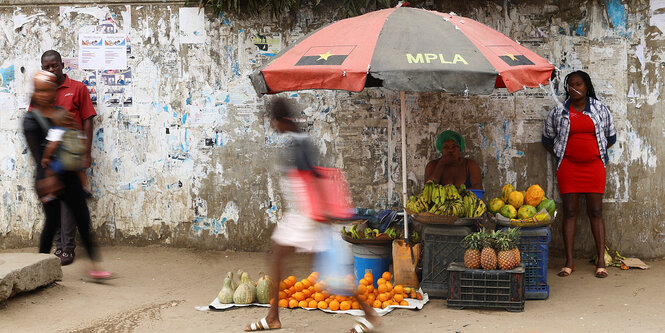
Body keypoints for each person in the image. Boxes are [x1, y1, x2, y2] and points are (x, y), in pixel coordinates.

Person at [245, 98, 378, 332]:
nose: (273, 127)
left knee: (327, 269)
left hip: (305, 215)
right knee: (328, 268)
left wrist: (321, 215)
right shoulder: (299, 142)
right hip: (303, 214)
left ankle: (274, 317)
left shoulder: (299, 145)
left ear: (281, 120)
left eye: (274, 122)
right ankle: (273, 316)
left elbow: (313, 179)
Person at [23, 70, 111, 280]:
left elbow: (73, 143)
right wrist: (48, 178)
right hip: (47, 178)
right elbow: (38, 155)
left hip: (68, 174)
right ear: (35, 93)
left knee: (82, 219)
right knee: (52, 222)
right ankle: (39, 268)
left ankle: (95, 267)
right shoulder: (30, 120)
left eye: (48, 90)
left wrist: (81, 170)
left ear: (55, 92)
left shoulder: (61, 113)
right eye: (40, 91)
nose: (45, 95)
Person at [542, 70, 617, 279]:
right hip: (568, 168)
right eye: (571, 85)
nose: (574, 88)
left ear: (586, 86)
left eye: (579, 84)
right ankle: (569, 262)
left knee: (595, 211)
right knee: (570, 211)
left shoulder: (599, 108)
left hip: (594, 166)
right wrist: (563, 156)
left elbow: (611, 136)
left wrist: (591, 153)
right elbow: (547, 139)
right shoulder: (559, 111)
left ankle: (601, 261)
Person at [41, 50, 97, 265]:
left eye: (54, 65)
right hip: (50, 156)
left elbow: (88, 120)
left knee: (69, 204)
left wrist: (86, 153)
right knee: (53, 200)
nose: (50, 70)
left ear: (62, 65)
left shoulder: (77, 88)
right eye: (46, 67)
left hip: (71, 155)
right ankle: (58, 246)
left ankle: (68, 248)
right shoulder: (43, 91)